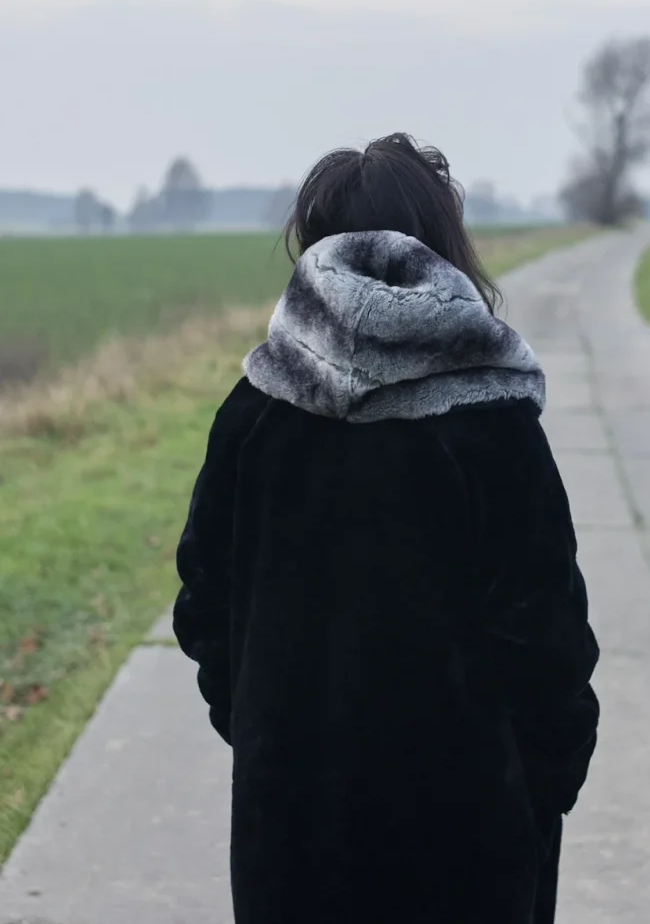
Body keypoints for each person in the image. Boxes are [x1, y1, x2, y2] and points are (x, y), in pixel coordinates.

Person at [173, 132, 599, 924]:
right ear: (445, 248)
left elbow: (205, 607)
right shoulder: (494, 424)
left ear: (313, 246)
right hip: (472, 847)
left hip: (290, 835)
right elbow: (548, 642)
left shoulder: (256, 413)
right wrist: (536, 792)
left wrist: (266, 736)